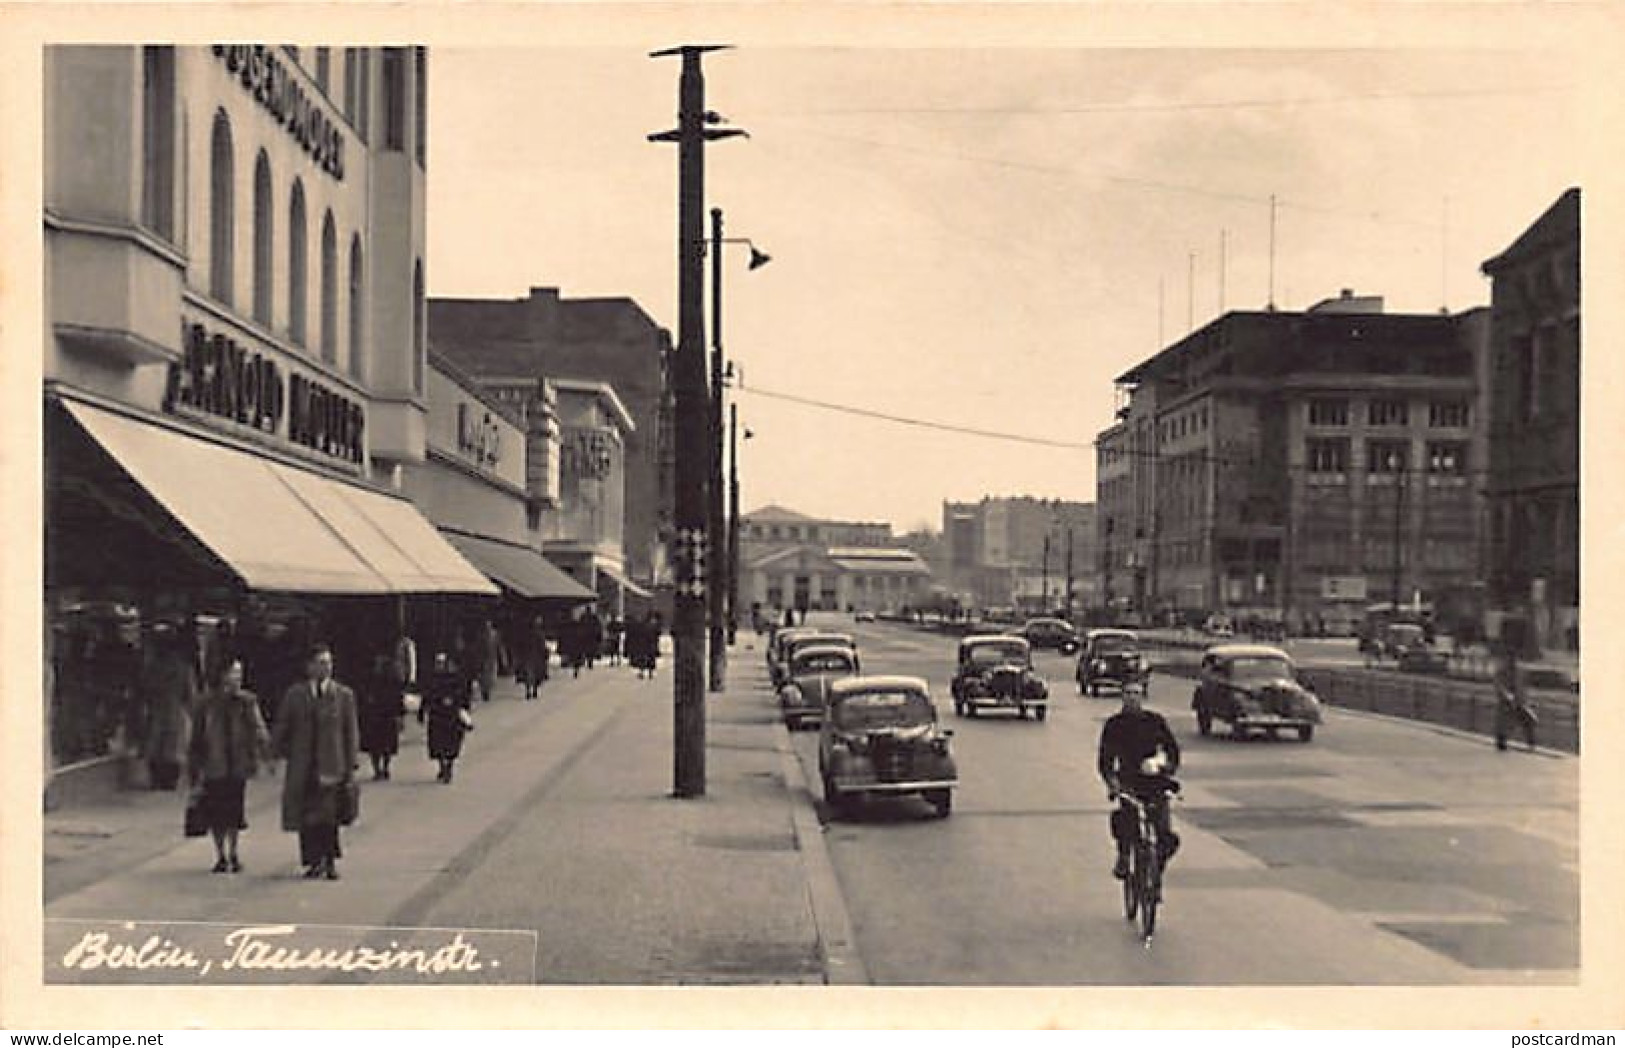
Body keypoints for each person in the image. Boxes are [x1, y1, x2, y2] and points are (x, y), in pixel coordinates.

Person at [271, 643, 358, 881]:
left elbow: (350, 731)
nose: (326, 667)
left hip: (332, 764)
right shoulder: (295, 695)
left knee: (329, 816)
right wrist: (278, 753)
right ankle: (312, 860)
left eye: (328, 663)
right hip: (304, 765)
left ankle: (329, 860)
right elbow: (283, 726)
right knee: (307, 816)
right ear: (309, 667)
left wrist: (351, 763)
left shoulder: (343, 696)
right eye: (320, 663)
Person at [188, 659, 271, 873]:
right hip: (214, 764)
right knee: (216, 812)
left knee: (235, 810)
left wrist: (265, 754)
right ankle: (220, 855)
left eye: (239, 673)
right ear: (222, 675)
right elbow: (197, 736)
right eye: (234, 673)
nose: (237, 678)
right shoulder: (206, 703)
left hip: (238, 764)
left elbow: (258, 728)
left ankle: (233, 852)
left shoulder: (247, 701)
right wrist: (195, 768)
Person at [1097, 682, 1182, 881]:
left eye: (1136, 693)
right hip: (1128, 781)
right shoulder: (1114, 725)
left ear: (1142, 696)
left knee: (1165, 834)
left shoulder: (1155, 721)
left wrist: (1166, 767)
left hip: (1154, 781)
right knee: (1125, 821)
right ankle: (1124, 856)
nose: (1132, 697)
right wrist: (1112, 783)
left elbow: (1172, 750)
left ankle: (1156, 868)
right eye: (1128, 693)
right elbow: (1105, 760)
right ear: (1122, 696)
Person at [139, 624, 197, 791]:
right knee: (172, 748)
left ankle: (157, 779)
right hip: (174, 712)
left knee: (156, 745)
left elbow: (143, 689)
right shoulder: (183, 667)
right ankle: (169, 780)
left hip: (157, 711)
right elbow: (190, 695)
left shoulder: (151, 667)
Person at [421, 652, 474, 783]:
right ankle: (443, 766)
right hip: (438, 716)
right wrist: (423, 710)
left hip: (450, 716)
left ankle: (448, 766)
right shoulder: (433, 679)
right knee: (439, 745)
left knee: (450, 744)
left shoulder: (456, 679)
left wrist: (463, 707)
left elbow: (464, 695)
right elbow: (427, 695)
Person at [359, 649, 404, 781]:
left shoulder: (391, 679)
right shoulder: (368, 678)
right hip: (373, 715)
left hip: (387, 714)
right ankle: (377, 769)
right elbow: (363, 695)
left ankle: (385, 767)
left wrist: (399, 714)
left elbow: (398, 697)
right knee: (374, 746)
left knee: (387, 745)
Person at [1493, 646, 1538, 753]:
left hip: (1519, 701)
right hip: (1506, 703)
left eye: (1513, 658)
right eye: (1510, 658)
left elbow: (1523, 686)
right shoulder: (1501, 671)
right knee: (1504, 723)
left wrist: (1525, 699)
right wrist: (1507, 695)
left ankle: (1531, 743)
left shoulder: (1520, 671)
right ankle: (1501, 741)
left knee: (1528, 720)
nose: (1512, 660)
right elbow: (1499, 685)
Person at [517, 616, 550, 701]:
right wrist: (546, 653)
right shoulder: (539, 634)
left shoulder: (525, 634)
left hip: (527, 656)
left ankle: (528, 690)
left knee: (529, 674)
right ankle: (534, 690)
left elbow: (520, 646)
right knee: (536, 674)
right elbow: (542, 646)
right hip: (536, 657)